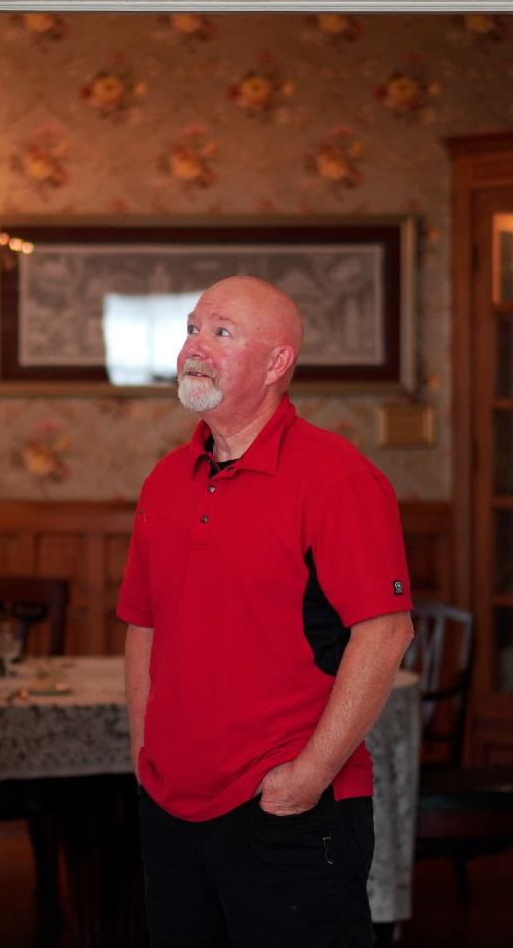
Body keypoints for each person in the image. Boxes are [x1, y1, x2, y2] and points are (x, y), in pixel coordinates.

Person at [119, 275, 415, 948]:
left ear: (278, 362)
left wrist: (306, 778)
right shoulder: (165, 479)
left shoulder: (339, 480)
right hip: (170, 808)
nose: (196, 346)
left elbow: (386, 633)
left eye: (221, 333)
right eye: (193, 328)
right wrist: (146, 753)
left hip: (285, 811)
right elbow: (144, 624)